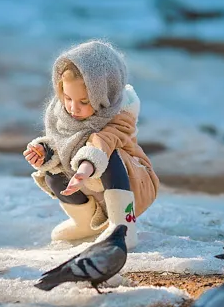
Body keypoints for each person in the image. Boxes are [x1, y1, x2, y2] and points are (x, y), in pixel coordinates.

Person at [23, 40, 159, 250]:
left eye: (84, 102)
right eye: (67, 98)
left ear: (105, 93)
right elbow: (63, 144)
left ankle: (123, 227)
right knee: (53, 170)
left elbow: (102, 143)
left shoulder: (120, 114)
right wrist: (44, 151)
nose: (73, 108)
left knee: (110, 156)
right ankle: (85, 223)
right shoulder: (61, 112)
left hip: (132, 180)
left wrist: (86, 167)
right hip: (88, 183)